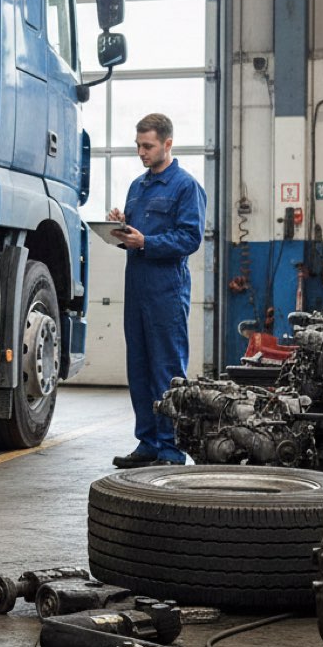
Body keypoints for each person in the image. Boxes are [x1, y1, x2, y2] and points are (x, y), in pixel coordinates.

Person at [108, 112, 207, 467]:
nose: (141, 152)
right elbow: (135, 236)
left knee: (167, 370)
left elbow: (190, 237)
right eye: (137, 146)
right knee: (139, 369)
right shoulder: (138, 186)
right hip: (136, 289)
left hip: (166, 290)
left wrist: (146, 241)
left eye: (147, 146)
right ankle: (147, 443)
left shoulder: (185, 186)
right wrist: (121, 228)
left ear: (167, 144)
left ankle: (170, 449)